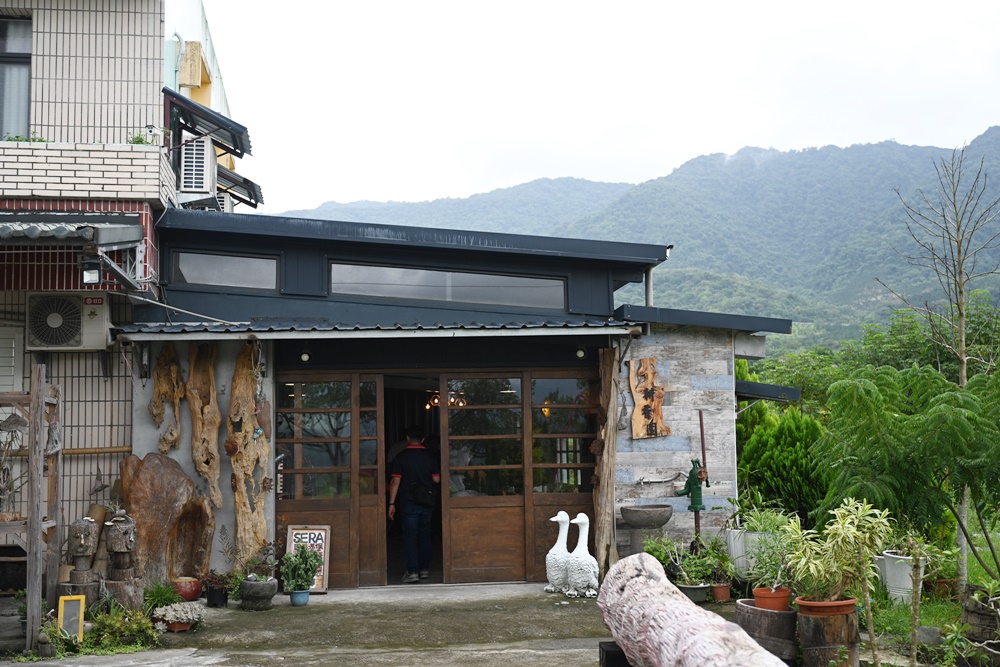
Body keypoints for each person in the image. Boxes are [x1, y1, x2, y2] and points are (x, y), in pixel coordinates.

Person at [388, 427, 440, 583]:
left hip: (409, 502)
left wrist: (391, 503)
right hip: (426, 502)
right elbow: (437, 479)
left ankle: (412, 572)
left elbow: (395, 481)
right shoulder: (430, 457)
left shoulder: (401, 457)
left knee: (410, 536)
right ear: (423, 440)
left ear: (408, 438)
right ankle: (424, 570)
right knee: (425, 534)